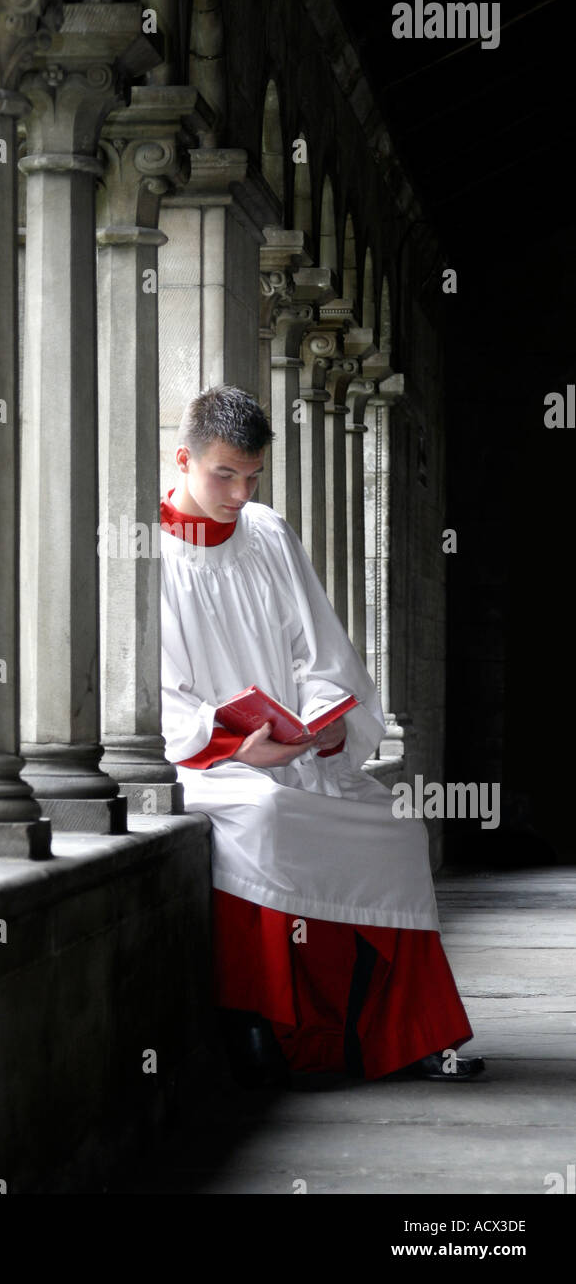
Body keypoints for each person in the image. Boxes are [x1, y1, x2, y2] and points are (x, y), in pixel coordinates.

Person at [159, 384, 484, 1087]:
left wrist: (323, 720)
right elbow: (156, 694)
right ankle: (272, 1031)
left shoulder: (269, 533)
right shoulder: (151, 556)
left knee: (396, 828)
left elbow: (322, 655)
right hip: (213, 765)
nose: (240, 494)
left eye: (252, 477)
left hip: (296, 752)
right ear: (183, 459)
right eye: (224, 474)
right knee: (267, 814)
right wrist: (234, 744)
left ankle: (408, 1035)